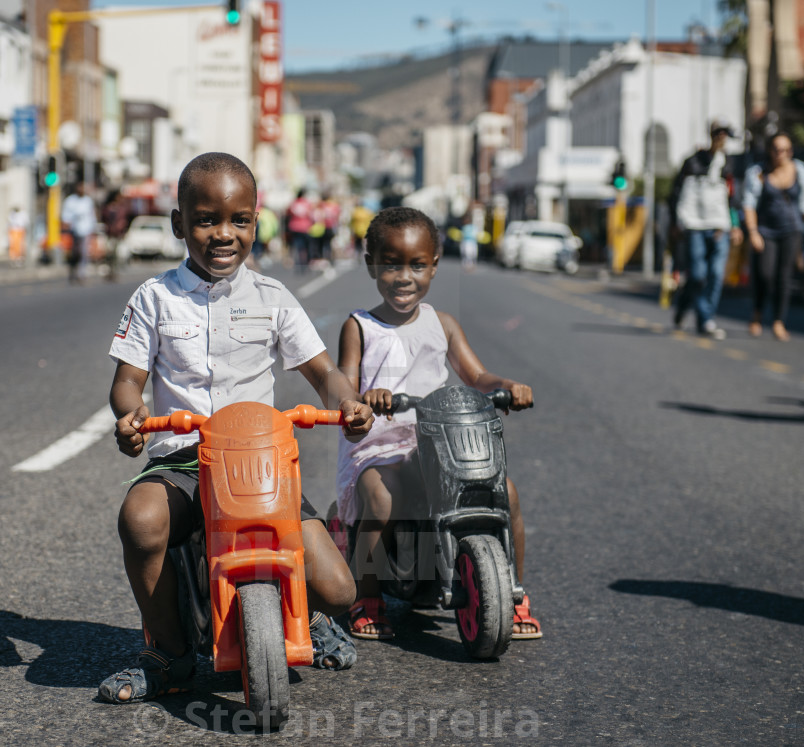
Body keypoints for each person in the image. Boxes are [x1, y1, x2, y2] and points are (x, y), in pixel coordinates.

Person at [98, 153, 373, 704]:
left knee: (340, 590)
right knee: (141, 520)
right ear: (179, 224)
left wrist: (349, 403)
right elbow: (128, 381)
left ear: (255, 221)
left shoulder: (273, 299)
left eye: (239, 220)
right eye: (205, 220)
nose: (223, 234)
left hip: (259, 462)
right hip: (182, 457)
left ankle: (308, 619)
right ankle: (169, 656)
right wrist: (128, 416)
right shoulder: (154, 298)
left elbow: (324, 374)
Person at [335, 206, 541, 642]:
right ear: (372, 263)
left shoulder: (442, 324)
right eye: (390, 264)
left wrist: (507, 385)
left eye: (416, 265)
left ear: (433, 265)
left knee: (507, 494)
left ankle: (515, 593)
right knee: (382, 497)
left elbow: (477, 377)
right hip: (381, 446)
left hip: (440, 443)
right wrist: (365, 400)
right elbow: (346, 389)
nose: (403, 277)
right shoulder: (360, 327)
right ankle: (366, 595)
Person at [742, 133, 804, 342]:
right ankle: (758, 311)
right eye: (778, 150)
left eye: (787, 150)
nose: (783, 154)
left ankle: (778, 321)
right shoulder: (758, 172)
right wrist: (752, 232)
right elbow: (749, 204)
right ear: (770, 151)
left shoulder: (800, 170)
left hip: (792, 230)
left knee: (784, 277)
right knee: (765, 274)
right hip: (766, 231)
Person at [670, 119, 743, 339]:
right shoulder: (692, 162)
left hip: (719, 226)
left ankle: (705, 319)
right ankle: (684, 306)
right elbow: (676, 193)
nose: (721, 139)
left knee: (716, 274)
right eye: (718, 134)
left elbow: (732, 198)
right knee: (698, 275)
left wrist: (735, 224)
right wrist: (676, 222)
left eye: (725, 136)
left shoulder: (727, 164)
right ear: (711, 136)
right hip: (694, 225)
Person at [61, 181, 96, 284]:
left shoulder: (88, 201)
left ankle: (82, 273)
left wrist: (93, 228)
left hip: (85, 230)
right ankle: (73, 270)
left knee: (84, 252)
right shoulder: (70, 201)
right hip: (74, 230)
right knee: (74, 253)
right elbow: (66, 216)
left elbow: (91, 215)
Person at [286, 189, 314, 270]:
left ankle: (298, 261)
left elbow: (289, 213)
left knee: (297, 245)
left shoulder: (294, 203)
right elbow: (310, 214)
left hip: (294, 227)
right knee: (306, 246)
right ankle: (305, 261)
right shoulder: (307, 203)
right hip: (305, 227)